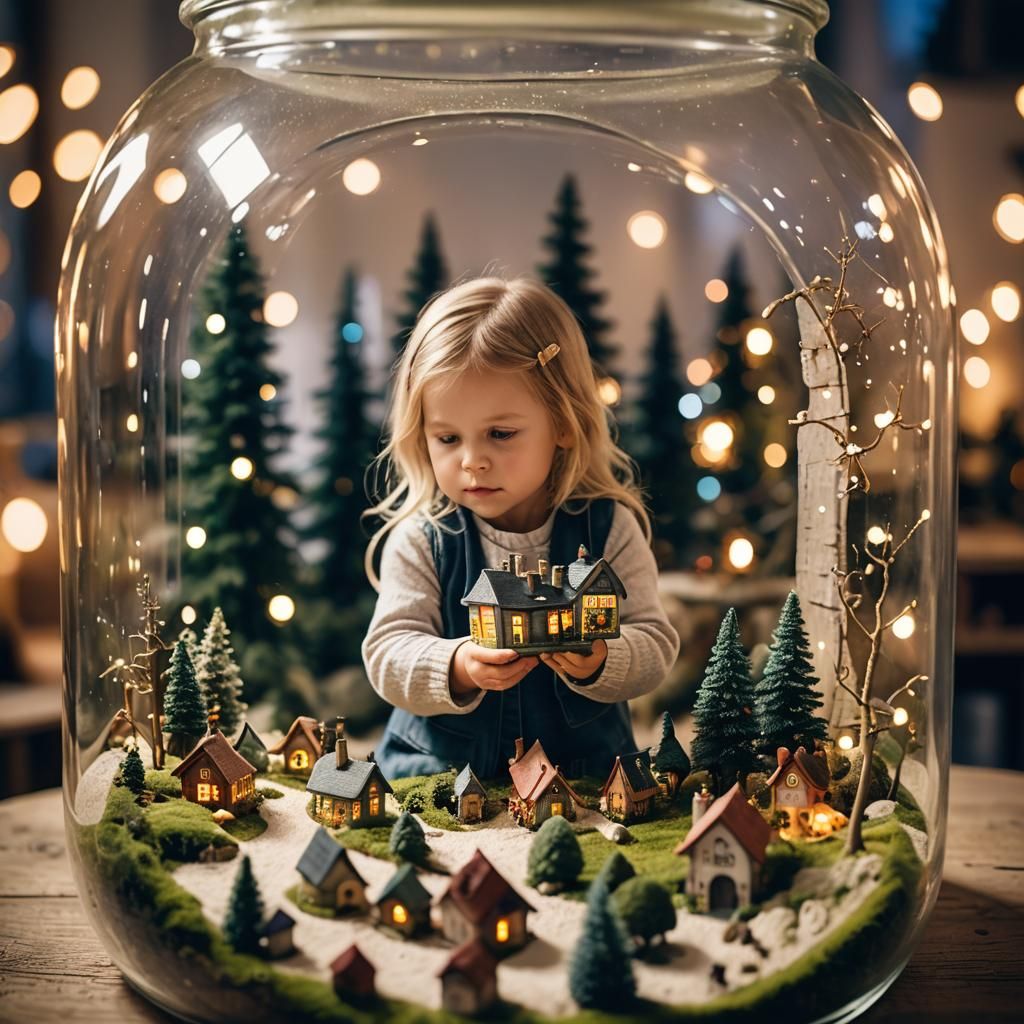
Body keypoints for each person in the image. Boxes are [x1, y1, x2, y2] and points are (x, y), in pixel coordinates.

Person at [361, 276, 679, 780]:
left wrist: (602, 659)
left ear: (564, 423)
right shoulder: (423, 537)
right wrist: (457, 664)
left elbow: (656, 643)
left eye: (500, 434)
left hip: (584, 773)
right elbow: (386, 652)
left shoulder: (608, 527)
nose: (472, 461)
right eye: (447, 437)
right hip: (441, 770)